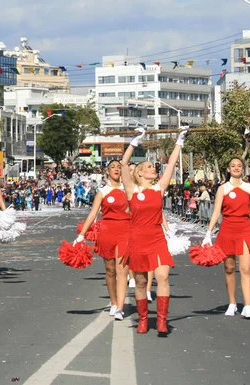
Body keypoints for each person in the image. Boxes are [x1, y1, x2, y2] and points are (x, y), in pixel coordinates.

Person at [120, 127, 185, 335]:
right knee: (140, 281)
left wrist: (180, 140)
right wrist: (134, 141)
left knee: (163, 277)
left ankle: (162, 320)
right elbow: (123, 164)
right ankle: (143, 320)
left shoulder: (159, 188)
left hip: (157, 237)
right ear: (139, 172)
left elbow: (172, 163)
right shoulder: (132, 189)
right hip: (137, 239)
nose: (152, 168)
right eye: (148, 166)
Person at [203, 158, 250, 319]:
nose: (236, 168)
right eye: (233, 166)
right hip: (227, 230)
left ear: (243, 169)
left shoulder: (249, 187)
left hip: (245, 228)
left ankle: (247, 306)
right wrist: (208, 233)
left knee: (246, 268)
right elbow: (216, 211)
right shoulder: (223, 189)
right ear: (229, 169)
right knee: (229, 268)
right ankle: (232, 303)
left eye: (239, 166)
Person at [77, 161, 130, 320]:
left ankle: (120, 307)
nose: (116, 170)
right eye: (113, 167)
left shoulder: (128, 189)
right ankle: (114, 303)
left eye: (119, 167)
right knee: (110, 270)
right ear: (107, 171)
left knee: (122, 270)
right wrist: (82, 234)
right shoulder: (103, 191)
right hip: (107, 232)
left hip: (125, 231)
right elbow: (93, 214)